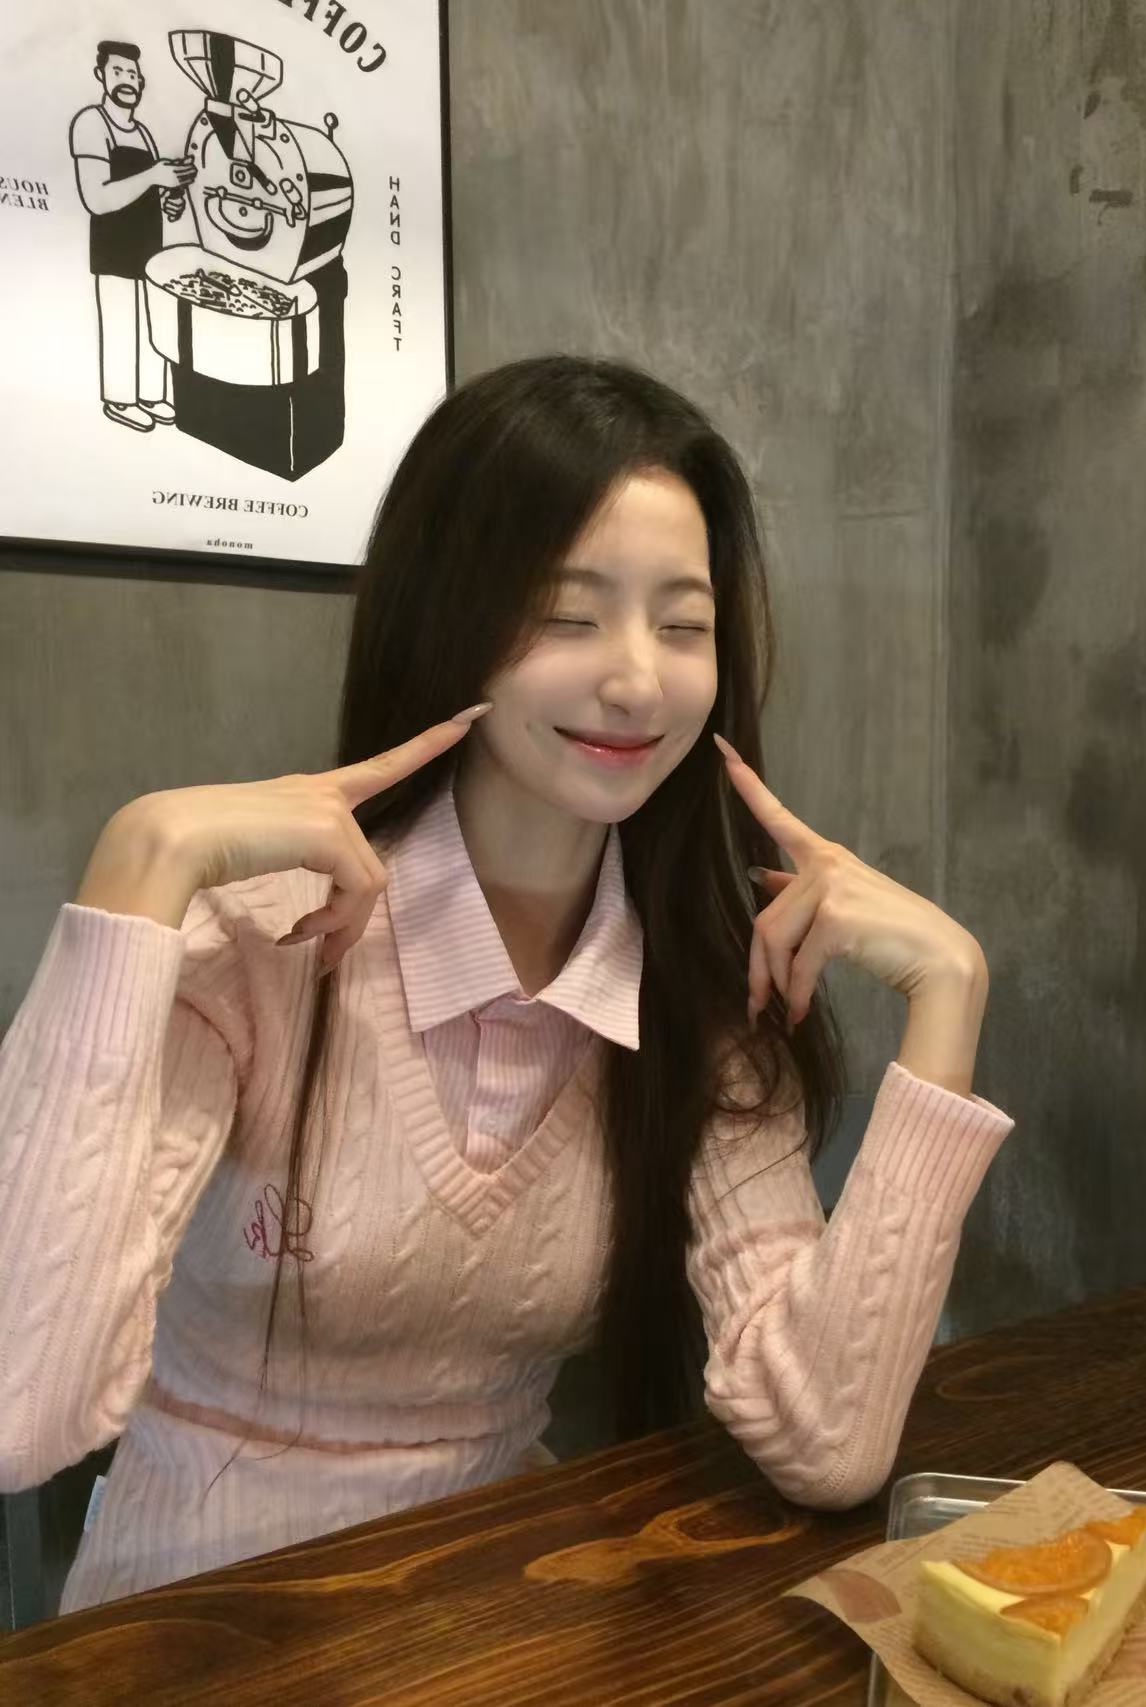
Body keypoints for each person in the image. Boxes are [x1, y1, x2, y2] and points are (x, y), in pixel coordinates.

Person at [0, 356, 1013, 1612]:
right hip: (189, 1619)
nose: (635, 680)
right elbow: (19, 1411)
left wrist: (949, 994)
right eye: (566, 615)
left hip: (503, 1614)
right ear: (450, 620)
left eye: (682, 625)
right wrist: (139, 867)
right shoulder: (256, 947)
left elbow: (828, 1442)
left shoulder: (695, 995)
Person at [68, 40, 193, 434]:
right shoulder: (91, 123)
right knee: (122, 321)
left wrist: (171, 198)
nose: (127, 80)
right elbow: (97, 199)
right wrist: (155, 175)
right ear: (101, 75)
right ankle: (120, 399)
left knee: (152, 324)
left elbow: (151, 195)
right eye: (118, 71)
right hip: (114, 247)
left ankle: (152, 394)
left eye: (133, 75)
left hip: (149, 248)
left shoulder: (143, 133)